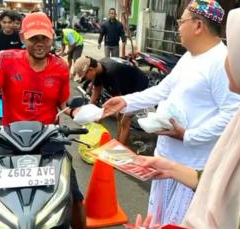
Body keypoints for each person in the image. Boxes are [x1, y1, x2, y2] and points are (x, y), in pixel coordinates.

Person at [102, 0, 240, 225]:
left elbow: (232, 115)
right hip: (166, 162)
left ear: (198, 26)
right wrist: (126, 102)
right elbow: (163, 90)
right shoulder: (190, 57)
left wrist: (187, 135)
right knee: (157, 220)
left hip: (189, 169)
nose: (177, 27)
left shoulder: (220, 62)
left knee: (176, 222)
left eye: (181, 21)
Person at [0, 12, 86, 229]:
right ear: (23, 37)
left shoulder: (60, 67)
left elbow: (64, 105)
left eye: (44, 38)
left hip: (49, 139)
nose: (40, 43)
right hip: (9, 139)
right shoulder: (6, 60)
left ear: (52, 38)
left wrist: (80, 113)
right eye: (34, 38)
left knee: (73, 196)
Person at [73, 56, 149, 145]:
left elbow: (119, 102)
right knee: (118, 117)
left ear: (90, 69)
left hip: (138, 87)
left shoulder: (111, 73)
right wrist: (90, 112)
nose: (85, 79)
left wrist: (101, 115)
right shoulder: (99, 68)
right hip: (125, 84)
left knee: (124, 120)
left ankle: (120, 147)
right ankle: (118, 140)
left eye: (85, 76)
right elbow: (96, 91)